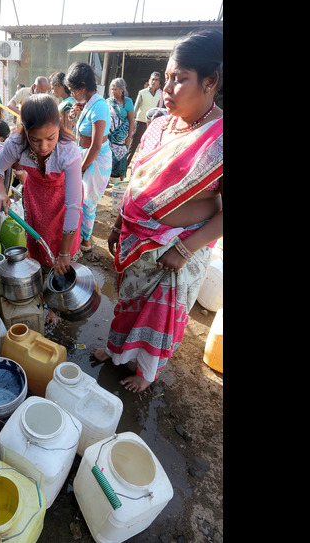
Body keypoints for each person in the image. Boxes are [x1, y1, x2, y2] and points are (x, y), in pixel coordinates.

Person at [91, 29, 223, 393]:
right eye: (166, 78)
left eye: (179, 80)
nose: (166, 88)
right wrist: (119, 222)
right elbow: (137, 180)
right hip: (137, 240)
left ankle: (146, 373)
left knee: (158, 316)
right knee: (129, 302)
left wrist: (186, 248)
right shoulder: (160, 124)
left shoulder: (220, 138)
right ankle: (118, 351)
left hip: (178, 250)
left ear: (210, 82)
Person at [0, 94, 83, 323]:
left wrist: (64, 253)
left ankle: (58, 304)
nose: (44, 146)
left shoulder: (68, 151)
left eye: (50, 138)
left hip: (63, 203)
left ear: (59, 124)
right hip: (36, 199)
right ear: (25, 131)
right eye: (35, 140)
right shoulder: (16, 143)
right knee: (39, 249)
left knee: (62, 258)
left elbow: (73, 205)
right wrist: (0, 189)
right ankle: (44, 296)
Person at [65, 62, 111, 253]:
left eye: (73, 89)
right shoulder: (87, 105)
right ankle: (81, 234)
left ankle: (86, 240)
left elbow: (96, 145)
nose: (72, 93)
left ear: (82, 86)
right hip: (86, 156)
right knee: (80, 197)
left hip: (96, 159)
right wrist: (74, 116)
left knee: (88, 200)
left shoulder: (99, 106)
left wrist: (82, 167)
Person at [128, 71, 162, 164]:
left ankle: (139, 168)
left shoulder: (159, 95)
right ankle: (124, 168)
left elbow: (157, 110)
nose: (153, 82)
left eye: (156, 80)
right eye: (152, 79)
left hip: (150, 125)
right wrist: (132, 123)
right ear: (149, 80)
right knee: (132, 147)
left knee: (146, 147)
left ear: (159, 83)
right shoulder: (142, 92)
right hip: (139, 122)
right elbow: (135, 108)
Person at [106, 77, 135, 182]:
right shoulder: (108, 102)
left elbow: (131, 120)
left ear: (122, 89)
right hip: (110, 138)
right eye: (112, 89)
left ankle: (121, 183)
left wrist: (129, 136)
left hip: (122, 139)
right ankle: (106, 182)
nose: (113, 91)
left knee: (122, 160)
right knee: (108, 161)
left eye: (115, 89)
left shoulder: (128, 102)